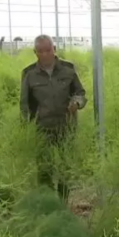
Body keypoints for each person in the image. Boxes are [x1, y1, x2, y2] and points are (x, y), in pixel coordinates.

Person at [20, 34, 87, 201]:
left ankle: (63, 203)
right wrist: (25, 129)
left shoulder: (68, 69)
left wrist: (76, 103)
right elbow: (24, 104)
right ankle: (48, 204)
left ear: (54, 49)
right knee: (44, 169)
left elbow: (80, 93)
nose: (44, 54)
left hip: (66, 127)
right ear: (35, 52)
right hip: (42, 129)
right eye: (40, 51)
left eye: (48, 50)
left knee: (65, 168)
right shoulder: (29, 74)